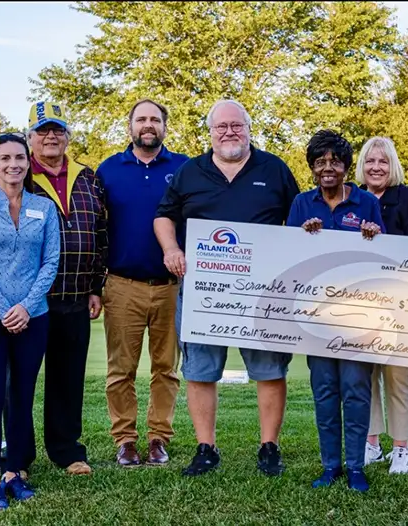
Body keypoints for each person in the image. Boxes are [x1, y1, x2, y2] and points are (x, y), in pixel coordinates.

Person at [154, 99, 300, 477]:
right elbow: (164, 216)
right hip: (205, 290)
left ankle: (269, 446)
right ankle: (206, 448)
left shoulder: (274, 169)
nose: (229, 132)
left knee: (269, 368)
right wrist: (171, 249)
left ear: (249, 129)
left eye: (237, 125)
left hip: (262, 291)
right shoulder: (190, 172)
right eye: (221, 127)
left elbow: (299, 219)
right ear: (211, 132)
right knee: (200, 369)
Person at [0, 133, 60, 511]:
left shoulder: (43, 207)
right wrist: (5, 308)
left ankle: (14, 473)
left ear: (27, 162)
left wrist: (26, 307)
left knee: (21, 397)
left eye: (19, 157)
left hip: (34, 317)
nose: (13, 164)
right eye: (5, 158)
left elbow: (50, 262)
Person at [286, 130, 384, 493]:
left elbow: (386, 256)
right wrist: (302, 235)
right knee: (325, 392)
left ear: (346, 167)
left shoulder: (365, 202)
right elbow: (288, 257)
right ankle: (330, 466)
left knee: (356, 390)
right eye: (320, 162)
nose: (328, 168)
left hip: (359, 316)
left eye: (335, 162)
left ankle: (356, 466)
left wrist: (375, 234)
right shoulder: (301, 203)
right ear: (312, 167)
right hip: (315, 318)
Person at [97, 99, 189, 467]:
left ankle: (158, 438)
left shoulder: (184, 168)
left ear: (164, 126)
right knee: (121, 370)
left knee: (166, 368)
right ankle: (125, 440)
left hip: (172, 285)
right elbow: (97, 228)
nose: (148, 125)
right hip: (122, 284)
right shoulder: (108, 170)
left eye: (155, 119)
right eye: (141, 119)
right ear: (130, 126)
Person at [24, 101, 108, 476]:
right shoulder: (19, 174)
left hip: (75, 296)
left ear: (68, 136)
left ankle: (66, 450)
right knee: (21, 379)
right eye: (42, 130)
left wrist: (96, 286)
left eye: (57, 130)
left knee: (68, 379)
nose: (51, 137)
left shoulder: (87, 177)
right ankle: (18, 457)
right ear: (30, 137)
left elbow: (101, 233)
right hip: (30, 299)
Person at [355, 136, 408, 474]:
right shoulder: (352, 198)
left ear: (393, 166)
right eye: (370, 161)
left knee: (400, 377)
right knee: (364, 377)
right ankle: (371, 444)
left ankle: (402, 449)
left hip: (402, 304)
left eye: (383, 161)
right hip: (359, 305)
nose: (376, 167)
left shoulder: (407, 199)